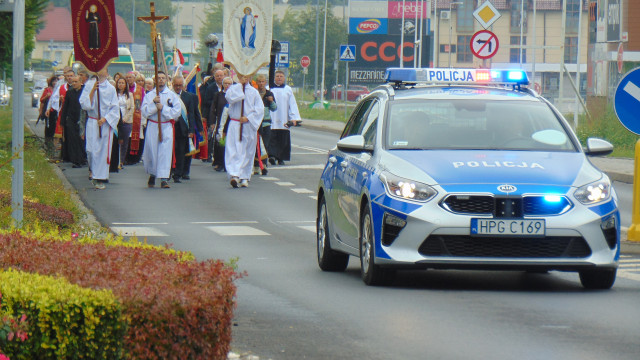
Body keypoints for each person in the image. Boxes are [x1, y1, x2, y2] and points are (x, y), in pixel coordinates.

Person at [140, 71, 182, 189]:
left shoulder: (172, 95)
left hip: (166, 126)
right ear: (155, 80)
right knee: (153, 151)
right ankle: (153, 174)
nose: (161, 80)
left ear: (166, 80)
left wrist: (163, 108)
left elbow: (176, 112)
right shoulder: (149, 95)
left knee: (165, 152)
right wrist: (154, 105)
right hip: (153, 125)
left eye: (163, 78)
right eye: (159, 78)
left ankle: (164, 178)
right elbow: (144, 112)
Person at [79, 68, 119, 190]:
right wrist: (92, 91)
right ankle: (93, 170)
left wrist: (105, 119)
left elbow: (115, 108)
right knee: (90, 150)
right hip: (92, 121)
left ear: (107, 72)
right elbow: (84, 104)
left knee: (102, 152)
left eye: (104, 69)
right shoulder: (89, 85)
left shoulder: (111, 88)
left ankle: (99, 177)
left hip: (104, 123)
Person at [224, 73, 263, 188]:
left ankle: (244, 176)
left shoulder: (254, 92)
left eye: (246, 77)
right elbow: (229, 98)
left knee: (247, 151)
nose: (244, 79)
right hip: (235, 123)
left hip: (248, 125)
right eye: (241, 77)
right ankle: (234, 175)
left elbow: (259, 110)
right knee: (234, 150)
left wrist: (248, 118)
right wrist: (240, 88)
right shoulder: (233, 89)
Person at [171, 75, 202, 182]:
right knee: (171, 151)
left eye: (180, 85)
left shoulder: (188, 97)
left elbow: (192, 114)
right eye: (176, 85)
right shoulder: (169, 96)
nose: (178, 87)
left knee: (181, 152)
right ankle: (170, 170)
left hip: (183, 130)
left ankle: (178, 174)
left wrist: (191, 130)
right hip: (171, 128)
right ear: (172, 84)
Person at [269, 70, 301, 165]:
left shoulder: (288, 89)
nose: (279, 78)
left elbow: (292, 104)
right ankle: (272, 156)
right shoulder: (269, 88)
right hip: (272, 118)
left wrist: (293, 118)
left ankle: (281, 158)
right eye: (277, 76)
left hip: (283, 118)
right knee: (272, 139)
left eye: (281, 76)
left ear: (284, 78)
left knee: (283, 140)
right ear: (274, 78)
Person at [59, 75, 87, 168]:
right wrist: (63, 121)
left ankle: (82, 158)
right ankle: (76, 160)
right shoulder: (69, 92)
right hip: (71, 119)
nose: (74, 84)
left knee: (81, 140)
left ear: (80, 82)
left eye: (76, 82)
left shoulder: (85, 92)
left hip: (82, 119)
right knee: (73, 140)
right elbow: (65, 107)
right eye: (73, 82)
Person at [255, 74, 276, 175]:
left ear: (265, 83)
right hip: (256, 123)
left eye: (263, 82)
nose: (261, 84)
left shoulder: (269, 94)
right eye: (259, 82)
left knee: (265, 144)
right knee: (256, 144)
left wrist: (271, 101)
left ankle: (264, 164)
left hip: (266, 123)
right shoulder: (254, 93)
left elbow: (274, 108)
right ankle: (255, 165)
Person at [212, 76, 233, 172]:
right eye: (226, 83)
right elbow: (213, 109)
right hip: (221, 122)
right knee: (221, 143)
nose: (227, 85)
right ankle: (220, 163)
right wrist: (212, 122)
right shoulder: (219, 95)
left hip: (231, 123)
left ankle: (228, 164)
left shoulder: (234, 95)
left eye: (229, 84)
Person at [125, 72, 146, 165]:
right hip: (127, 115)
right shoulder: (124, 88)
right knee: (127, 137)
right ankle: (126, 157)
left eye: (131, 77)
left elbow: (143, 103)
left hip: (137, 115)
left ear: (134, 78)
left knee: (138, 136)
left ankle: (135, 157)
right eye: (127, 77)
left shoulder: (139, 89)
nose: (129, 79)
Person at [115, 77, 134, 169]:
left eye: (122, 83)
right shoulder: (114, 95)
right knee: (116, 140)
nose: (120, 85)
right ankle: (115, 160)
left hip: (126, 120)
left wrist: (125, 118)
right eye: (119, 83)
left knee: (124, 141)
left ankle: (121, 160)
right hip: (116, 120)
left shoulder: (129, 95)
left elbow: (132, 108)